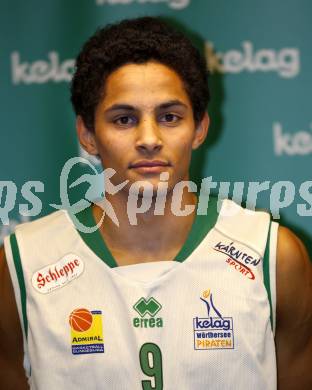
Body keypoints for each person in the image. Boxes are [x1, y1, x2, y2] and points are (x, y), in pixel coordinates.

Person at [0, 16, 311, 390]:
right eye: (124, 119)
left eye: (169, 116)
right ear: (87, 134)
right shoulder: (24, 263)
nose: (149, 138)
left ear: (199, 128)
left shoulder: (273, 258)